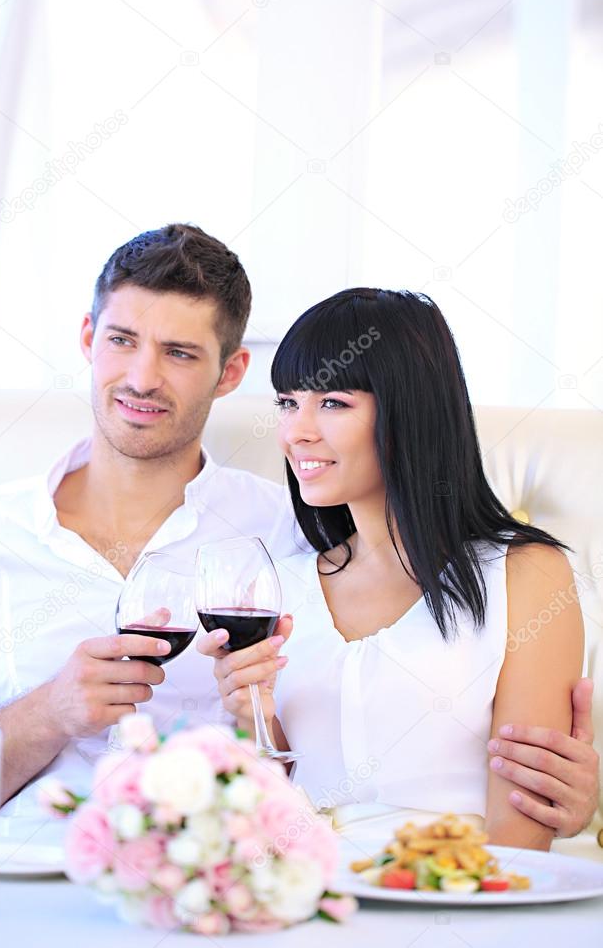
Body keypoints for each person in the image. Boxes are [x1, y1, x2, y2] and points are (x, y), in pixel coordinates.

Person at [0, 242, 597, 841]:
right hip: (25, 874)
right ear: (88, 337)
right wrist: (51, 710)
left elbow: (519, 809)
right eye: (123, 340)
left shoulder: (280, 535)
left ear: (231, 370)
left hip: (257, 889)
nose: (142, 377)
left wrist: (574, 802)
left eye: (180, 352)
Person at [199, 287, 599, 848]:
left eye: (332, 402)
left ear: (410, 409)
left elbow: (523, 829)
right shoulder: (279, 588)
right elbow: (265, 817)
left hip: (463, 901)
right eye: (288, 402)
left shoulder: (523, 574)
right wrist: (253, 717)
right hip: (311, 902)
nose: (296, 431)